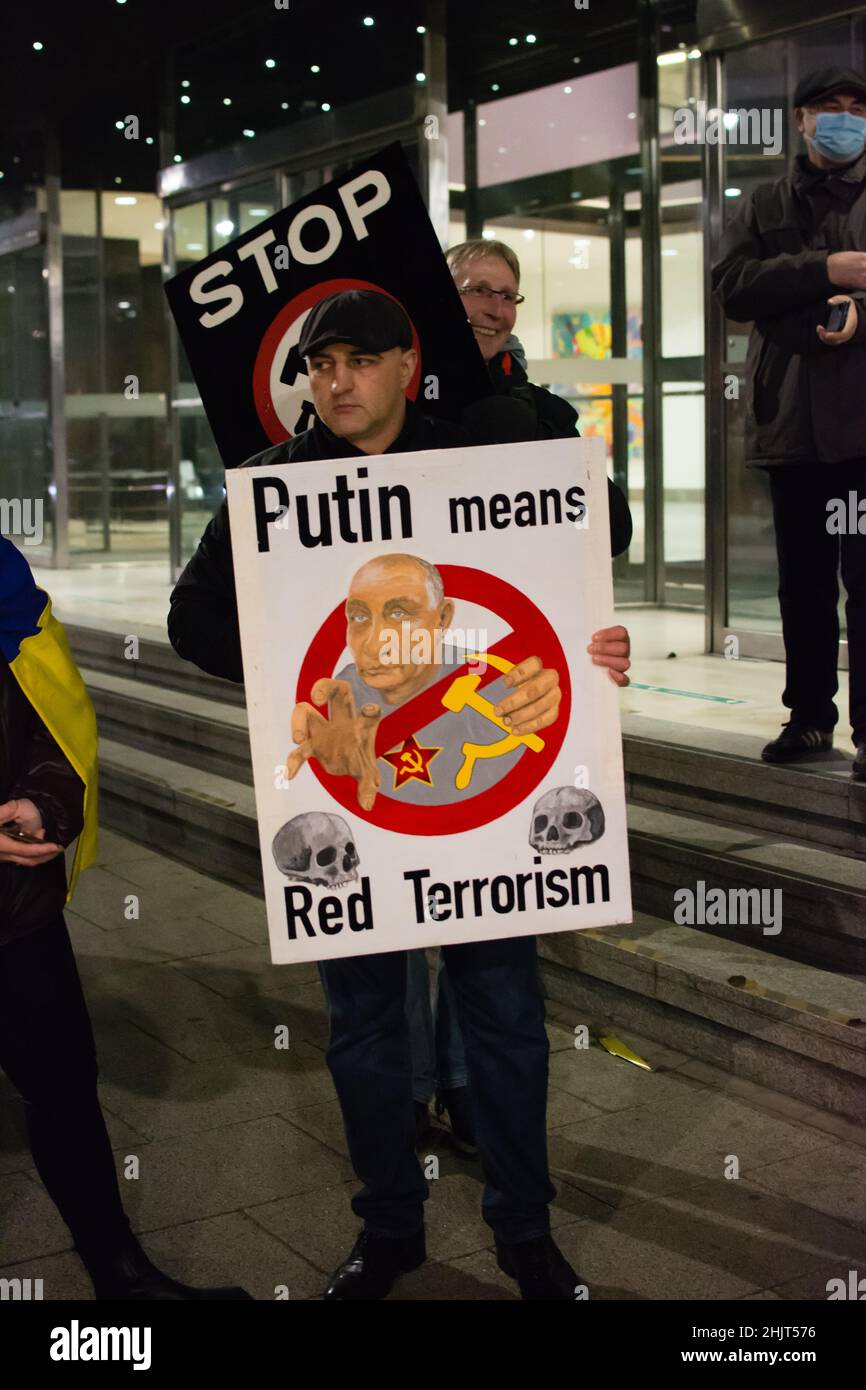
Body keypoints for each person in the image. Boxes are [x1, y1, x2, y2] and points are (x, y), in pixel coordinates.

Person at [168, 287, 632, 1300]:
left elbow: (584, 551)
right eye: (318, 366)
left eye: (357, 361)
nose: (336, 382)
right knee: (367, 1026)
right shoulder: (271, 487)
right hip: (351, 817)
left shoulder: (474, 456)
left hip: (489, 813)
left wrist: (592, 642)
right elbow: (191, 622)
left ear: (402, 362)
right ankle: (387, 1228)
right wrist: (296, 663)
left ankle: (523, 1226)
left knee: (504, 1018)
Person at [402, 240, 634, 1160]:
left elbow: (605, 527)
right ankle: (409, 1092)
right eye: (475, 290)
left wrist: (541, 445)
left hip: (498, 681)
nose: (493, 307)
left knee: (487, 908)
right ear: (441, 296)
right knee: (396, 904)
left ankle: (462, 1088)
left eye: (506, 294)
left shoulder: (542, 409)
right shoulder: (399, 404)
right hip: (409, 676)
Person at [0, 538, 250, 1300]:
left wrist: (46, 805)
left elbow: (50, 716)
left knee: (65, 1083)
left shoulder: (4, 579)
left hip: (13, 909)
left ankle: (123, 1274)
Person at [712, 66, 866, 776]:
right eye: (828, 107)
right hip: (791, 427)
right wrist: (830, 268)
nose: (844, 117)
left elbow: (767, 293)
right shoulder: (765, 200)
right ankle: (809, 718)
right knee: (802, 584)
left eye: (856, 107)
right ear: (800, 120)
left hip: (863, 431)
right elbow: (733, 286)